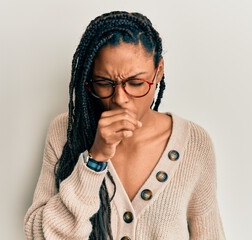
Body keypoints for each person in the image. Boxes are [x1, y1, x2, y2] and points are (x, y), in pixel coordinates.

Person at [24, 11, 225, 240]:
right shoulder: (65, 132)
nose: (120, 98)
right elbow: (37, 235)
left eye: (136, 83)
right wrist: (94, 161)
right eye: (104, 83)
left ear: (158, 71)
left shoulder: (194, 144)